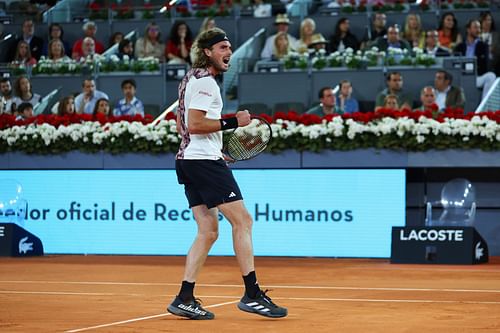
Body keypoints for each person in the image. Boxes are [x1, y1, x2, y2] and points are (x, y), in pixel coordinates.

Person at [168, 27, 287, 320]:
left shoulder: (189, 79)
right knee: (243, 221)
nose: (228, 53)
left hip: (190, 159)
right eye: (222, 48)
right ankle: (252, 294)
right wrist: (235, 122)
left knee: (208, 231)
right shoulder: (206, 82)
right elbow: (195, 124)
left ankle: (184, 297)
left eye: (229, 48)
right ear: (207, 51)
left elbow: (181, 124)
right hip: (202, 162)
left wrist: (212, 148)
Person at [454, 19, 497, 99]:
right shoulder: (459, 46)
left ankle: (484, 107)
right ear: (468, 29)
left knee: (491, 76)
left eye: (479, 28)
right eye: (475, 27)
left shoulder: (483, 46)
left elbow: (486, 65)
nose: (478, 30)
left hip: (476, 77)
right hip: (461, 77)